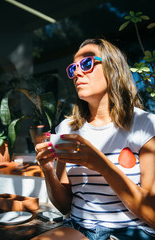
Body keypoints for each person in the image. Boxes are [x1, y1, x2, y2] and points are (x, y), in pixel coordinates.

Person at [32, 38, 155, 240]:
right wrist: (47, 171)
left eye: (87, 64)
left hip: (132, 231)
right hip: (79, 227)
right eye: (73, 68)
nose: (77, 73)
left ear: (112, 69)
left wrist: (102, 166)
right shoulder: (66, 129)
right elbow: (64, 206)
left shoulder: (145, 125)